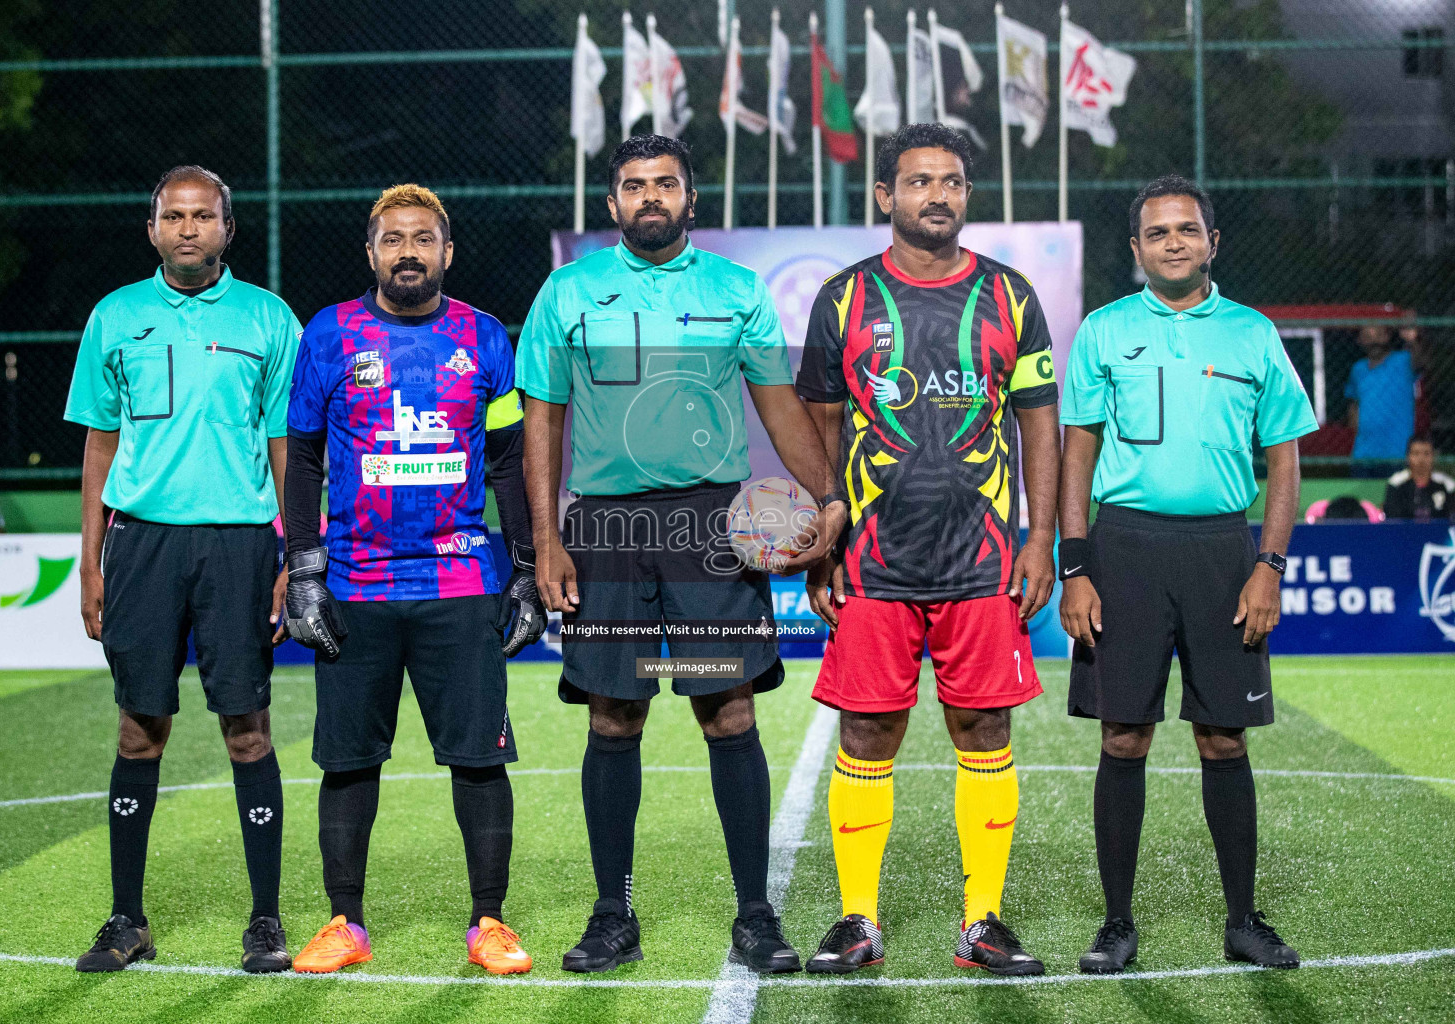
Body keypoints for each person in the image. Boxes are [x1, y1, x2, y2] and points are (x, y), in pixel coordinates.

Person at [517, 134, 844, 974]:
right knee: (612, 715)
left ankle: (756, 915)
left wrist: (831, 501)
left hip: (710, 529)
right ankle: (610, 915)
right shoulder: (568, 291)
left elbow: (779, 408)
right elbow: (542, 421)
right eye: (634, 186)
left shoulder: (735, 291)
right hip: (605, 531)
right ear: (614, 202)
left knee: (728, 713)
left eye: (665, 184)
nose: (650, 197)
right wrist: (548, 537)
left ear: (691, 200)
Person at [797, 124, 1059, 977]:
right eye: (917, 182)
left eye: (950, 182)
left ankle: (983, 920)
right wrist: (821, 545)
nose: (935, 196)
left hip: (982, 561)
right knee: (868, 731)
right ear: (886, 196)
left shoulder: (1012, 297)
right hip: (873, 564)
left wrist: (1039, 540)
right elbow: (822, 431)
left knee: (984, 724)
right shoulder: (843, 298)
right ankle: (857, 921)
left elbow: (1040, 427)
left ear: (966, 196)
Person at [1059, 174, 1318, 974]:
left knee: (1223, 737)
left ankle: (1243, 919)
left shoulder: (1252, 333)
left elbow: (1283, 459)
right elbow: (1078, 453)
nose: (1174, 242)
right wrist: (1076, 565)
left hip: (1221, 552)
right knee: (1124, 735)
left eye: (1187, 230)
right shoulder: (1102, 331)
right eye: (1157, 233)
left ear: (1212, 241)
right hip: (1124, 549)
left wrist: (1267, 566)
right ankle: (1116, 925)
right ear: (1136, 251)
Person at [282, 184, 544, 977]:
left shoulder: (483, 337)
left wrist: (525, 569)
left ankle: (488, 923)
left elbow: (506, 461)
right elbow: (300, 459)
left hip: (460, 580)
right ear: (371, 252)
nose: (407, 251)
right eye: (392, 239)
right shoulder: (329, 333)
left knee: (478, 757)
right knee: (348, 761)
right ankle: (344, 923)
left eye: (422, 238)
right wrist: (302, 570)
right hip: (356, 584)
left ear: (446, 251)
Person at [63, 165, 299, 973]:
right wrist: (89, 560)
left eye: (204, 216)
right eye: (174, 215)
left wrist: (293, 554)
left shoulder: (269, 318)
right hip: (142, 545)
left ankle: (265, 920)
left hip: (238, 543)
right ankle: (127, 919)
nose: (189, 228)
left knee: (248, 730)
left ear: (228, 229)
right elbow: (99, 443)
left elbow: (286, 450)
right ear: (154, 227)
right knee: (139, 729)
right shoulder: (115, 316)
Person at [1345, 324, 1415, 468]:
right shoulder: (1358, 369)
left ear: (1387, 336)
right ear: (1360, 340)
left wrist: (1412, 340)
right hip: (1364, 455)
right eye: (1368, 337)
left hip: (1398, 454)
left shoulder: (1403, 361)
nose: (1374, 341)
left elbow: (1422, 361)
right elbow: (1353, 403)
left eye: (1378, 335)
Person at [1383, 437, 1453, 521]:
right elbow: (1392, 518)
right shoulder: (1396, 484)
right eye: (1416, 453)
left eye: (1426, 453)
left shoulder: (1447, 485)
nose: (1421, 459)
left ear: (1433, 456)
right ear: (1408, 456)